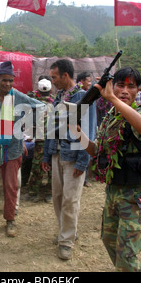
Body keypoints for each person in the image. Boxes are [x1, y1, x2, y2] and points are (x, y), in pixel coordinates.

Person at [70, 66, 141, 272]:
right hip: (113, 191)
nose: (125, 90)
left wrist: (112, 98)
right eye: (120, 85)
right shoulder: (110, 116)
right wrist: (78, 133)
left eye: (131, 86)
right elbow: (97, 151)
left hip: (134, 195)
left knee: (126, 252)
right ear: (113, 86)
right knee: (109, 240)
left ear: (138, 91)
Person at [0, 61, 44, 238]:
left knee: (11, 186)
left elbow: (41, 106)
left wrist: (24, 127)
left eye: (10, 80)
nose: (7, 83)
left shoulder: (19, 97)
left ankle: (10, 220)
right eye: (4, 80)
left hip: (13, 150)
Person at [41, 59, 96, 260]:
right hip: (57, 154)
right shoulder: (58, 98)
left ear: (65, 75)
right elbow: (51, 129)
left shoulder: (83, 96)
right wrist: (47, 154)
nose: (52, 81)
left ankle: (66, 241)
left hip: (73, 156)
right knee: (58, 198)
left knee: (70, 200)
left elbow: (88, 129)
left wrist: (83, 161)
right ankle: (67, 231)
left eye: (54, 77)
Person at [25, 77, 54, 202]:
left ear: (38, 89)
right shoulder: (56, 104)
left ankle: (33, 193)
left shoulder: (33, 105)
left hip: (40, 141)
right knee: (52, 167)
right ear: (50, 90)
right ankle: (50, 194)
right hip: (53, 140)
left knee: (37, 166)